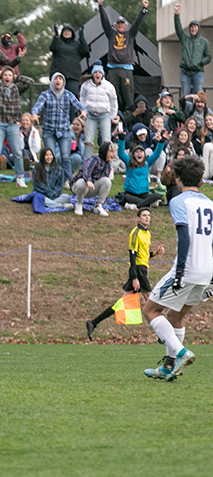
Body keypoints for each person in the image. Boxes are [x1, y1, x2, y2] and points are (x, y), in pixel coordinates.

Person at [141, 157, 211, 381]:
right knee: (175, 316)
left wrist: (179, 271)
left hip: (188, 269)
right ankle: (168, 368)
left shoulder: (179, 201)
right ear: (201, 180)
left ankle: (181, 352)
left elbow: (183, 236)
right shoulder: (211, 204)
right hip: (207, 272)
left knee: (150, 311)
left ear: (177, 178)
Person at [86, 208, 165, 340]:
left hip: (142, 269)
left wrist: (155, 253)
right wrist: (134, 277)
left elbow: (143, 256)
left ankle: (93, 322)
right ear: (139, 218)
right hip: (138, 271)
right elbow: (133, 257)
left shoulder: (147, 234)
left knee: (121, 303)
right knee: (152, 303)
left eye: (149, 215)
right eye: (144, 215)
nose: (147, 218)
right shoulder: (135, 233)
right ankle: (163, 335)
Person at [31, 72, 86, 183]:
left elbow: (78, 104)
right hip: (49, 131)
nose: (58, 81)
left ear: (63, 82)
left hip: (64, 131)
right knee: (49, 156)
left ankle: (68, 181)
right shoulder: (45, 94)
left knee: (65, 156)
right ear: (52, 82)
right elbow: (38, 106)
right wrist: (34, 113)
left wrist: (83, 111)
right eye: (56, 79)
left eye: (60, 79)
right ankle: (49, 180)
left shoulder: (68, 94)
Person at [0, 67, 34, 188]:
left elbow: (30, 81)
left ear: (13, 78)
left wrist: (17, 77)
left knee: (18, 152)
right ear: (2, 77)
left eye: (9, 75)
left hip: (13, 124)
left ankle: (20, 178)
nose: (7, 77)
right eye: (5, 75)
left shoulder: (17, 88)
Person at [98, 0, 149, 112]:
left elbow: (137, 23)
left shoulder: (130, 34)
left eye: (122, 24)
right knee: (112, 95)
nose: (120, 25)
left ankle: (128, 119)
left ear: (125, 26)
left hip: (126, 69)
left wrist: (143, 10)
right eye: (118, 24)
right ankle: (112, 118)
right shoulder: (111, 34)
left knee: (128, 96)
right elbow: (105, 22)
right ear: (115, 25)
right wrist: (101, 7)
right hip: (113, 69)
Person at [79, 61, 118, 161]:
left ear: (102, 74)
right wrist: (84, 110)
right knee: (88, 142)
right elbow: (82, 98)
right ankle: (86, 164)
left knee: (106, 142)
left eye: (99, 72)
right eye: (95, 72)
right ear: (93, 74)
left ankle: (108, 166)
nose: (97, 74)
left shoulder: (108, 86)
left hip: (104, 115)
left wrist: (112, 115)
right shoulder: (86, 85)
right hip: (91, 116)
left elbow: (113, 101)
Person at [117, 130, 165, 210]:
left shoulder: (147, 162)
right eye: (137, 152)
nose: (139, 153)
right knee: (126, 197)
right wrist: (121, 139)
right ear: (134, 154)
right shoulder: (129, 161)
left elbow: (157, 154)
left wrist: (160, 142)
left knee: (157, 196)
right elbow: (121, 153)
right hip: (131, 193)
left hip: (144, 193)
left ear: (144, 154)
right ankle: (147, 203)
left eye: (141, 152)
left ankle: (136, 206)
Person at [174, 4, 212, 98]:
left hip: (198, 72)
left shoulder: (204, 42)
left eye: (195, 26)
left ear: (198, 28)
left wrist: (200, 62)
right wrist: (176, 14)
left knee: (198, 95)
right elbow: (178, 28)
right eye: (191, 26)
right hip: (185, 72)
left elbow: (208, 56)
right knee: (185, 96)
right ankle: (185, 112)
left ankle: (197, 112)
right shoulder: (185, 39)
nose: (193, 28)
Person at [70, 141, 115, 217]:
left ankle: (98, 206)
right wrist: (88, 180)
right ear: (105, 152)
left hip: (91, 189)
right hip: (78, 187)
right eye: (111, 151)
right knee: (82, 183)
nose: (114, 154)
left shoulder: (107, 166)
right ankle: (79, 204)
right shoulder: (94, 159)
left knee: (107, 181)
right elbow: (86, 169)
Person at [49, 24, 89, 98]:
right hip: (59, 76)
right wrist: (56, 37)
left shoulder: (77, 44)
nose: (67, 32)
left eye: (69, 31)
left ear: (72, 33)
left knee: (72, 97)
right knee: (57, 97)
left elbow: (85, 51)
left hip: (73, 76)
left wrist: (82, 38)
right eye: (65, 31)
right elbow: (53, 48)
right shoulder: (59, 42)